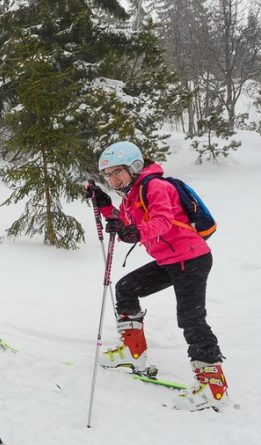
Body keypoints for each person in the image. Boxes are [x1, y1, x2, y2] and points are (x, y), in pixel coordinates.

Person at [86, 140, 229, 411]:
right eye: (108, 175)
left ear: (134, 167)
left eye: (118, 171)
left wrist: (137, 233)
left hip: (191, 258)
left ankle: (213, 387)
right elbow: (127, 224)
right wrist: (105, 206)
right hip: (170, 260)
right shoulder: (132, 194)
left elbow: (161, 221)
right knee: (127, 288)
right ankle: (133, 352)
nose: (113, 179)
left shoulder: (156, 187)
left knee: (191, 319)